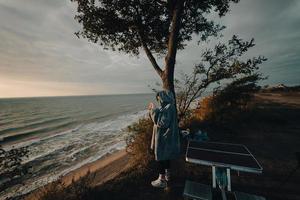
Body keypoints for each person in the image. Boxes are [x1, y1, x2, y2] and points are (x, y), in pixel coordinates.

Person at [148, 90, 181, 188]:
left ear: (164, 97)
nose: (158, 100)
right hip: (165, 137)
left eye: (159, 98)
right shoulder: (167, 107)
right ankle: (167, 176)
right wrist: (155, 110)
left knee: (160, 158)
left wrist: (153, 110)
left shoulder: (168, 107)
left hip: (163, 138)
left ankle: (161, 180)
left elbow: (162, 123)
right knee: (165, 156)